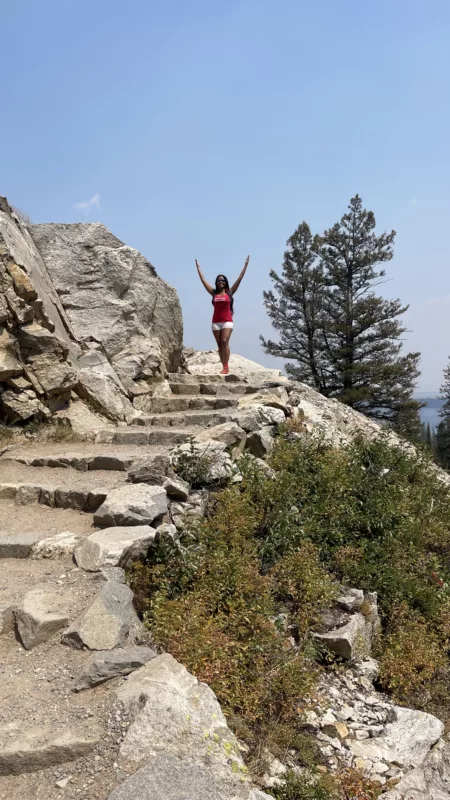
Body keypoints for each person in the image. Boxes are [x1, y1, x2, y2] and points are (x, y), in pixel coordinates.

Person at [195, 256, 250, 374]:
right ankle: (223, 365)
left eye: (223, 280)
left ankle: (226, 366)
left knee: (225, 341)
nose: (221, 282)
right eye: (219, 280)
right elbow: (203, 281)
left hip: (227, 321)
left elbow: (239, 279)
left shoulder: (229, 292)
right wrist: (198, 268)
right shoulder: (213, 293)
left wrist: (245, 265)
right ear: (217, 282)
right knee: (219, 344)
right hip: (215, 322)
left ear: (225, 283)